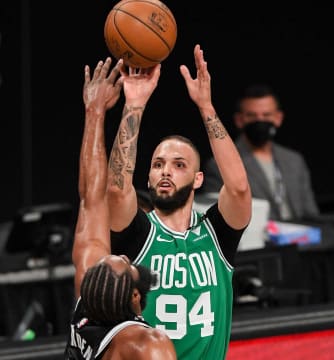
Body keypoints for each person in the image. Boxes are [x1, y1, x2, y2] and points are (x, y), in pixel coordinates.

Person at [107, 44, 252, 360]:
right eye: (158, 164)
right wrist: (134, 105)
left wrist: (206, 108)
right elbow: (117, 191)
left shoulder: (217, 234)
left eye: (179, 164)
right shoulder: (138, 234)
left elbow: (239, 188)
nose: (165, 171)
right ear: (147, 177)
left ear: (198, 179)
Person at [64, 57, 177, 360]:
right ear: (135, 296)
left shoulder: (84, 313)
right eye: (125, 263)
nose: (124, 255)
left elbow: (92, 196)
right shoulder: (147, 344)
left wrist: (95, 111)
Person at [202, 83, 320, 222]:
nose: (260, 120)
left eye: (266, 114)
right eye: (252, 115)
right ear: (239, 120)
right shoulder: (220, 165)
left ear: (278, 118)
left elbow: (311, 212)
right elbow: (219, 218)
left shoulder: (294, 160)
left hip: (304, 238)